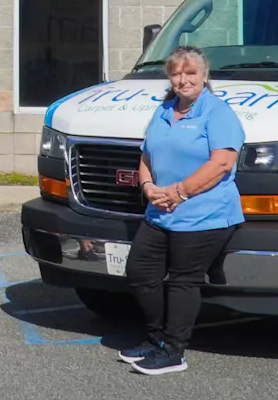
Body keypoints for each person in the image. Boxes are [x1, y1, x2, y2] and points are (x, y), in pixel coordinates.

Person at [118, 45, 244, 376]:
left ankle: (174, 351)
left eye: (190, 73)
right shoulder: (163, 112)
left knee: (182, 281)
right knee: (141, 273)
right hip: (159, 212)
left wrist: (179, 192)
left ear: (204, 76)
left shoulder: (217, 113)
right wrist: (148, 188)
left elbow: (222, 163)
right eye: (176, 73)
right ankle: (156, 340)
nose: (182, 79)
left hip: (204, 213)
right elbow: (146, 158)